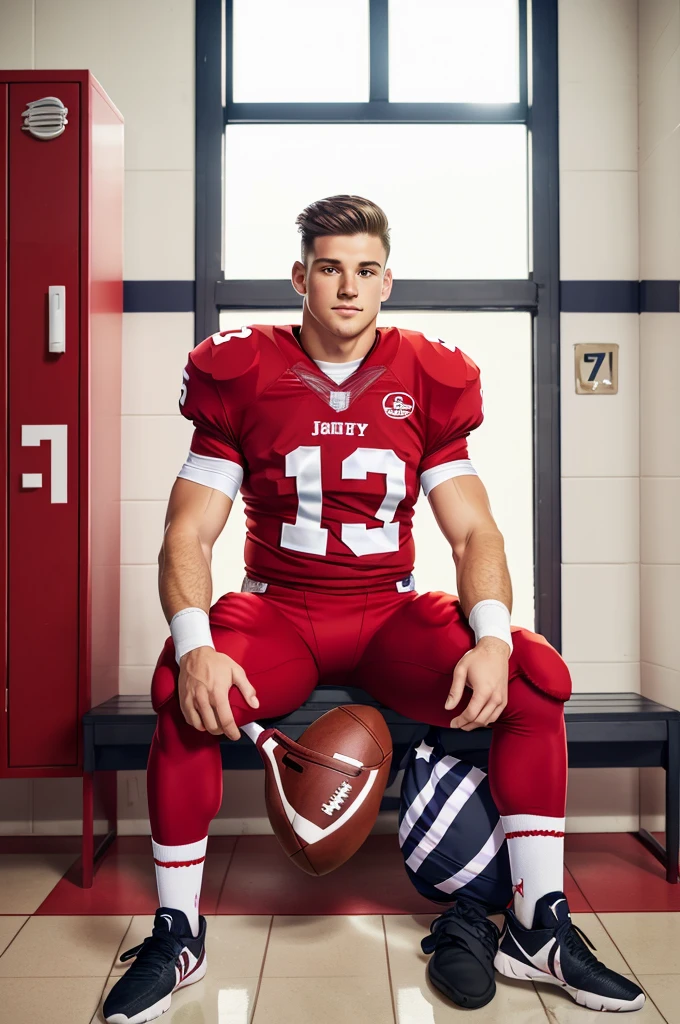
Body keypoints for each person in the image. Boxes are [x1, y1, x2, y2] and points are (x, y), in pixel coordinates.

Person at [103, 196, 644, 1022]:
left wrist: (493, 637)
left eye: (364, 270)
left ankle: (537, 925)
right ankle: (178, 930)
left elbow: (473, 532)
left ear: (387, 282)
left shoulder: (428, 373)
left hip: (386, 613)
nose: (347, 287)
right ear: (300, 278)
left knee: (533, 677)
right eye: (329, 268)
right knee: (185, 686)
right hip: (280, 609)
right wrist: (195, 639)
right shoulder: (240, 370)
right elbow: (188, 531)